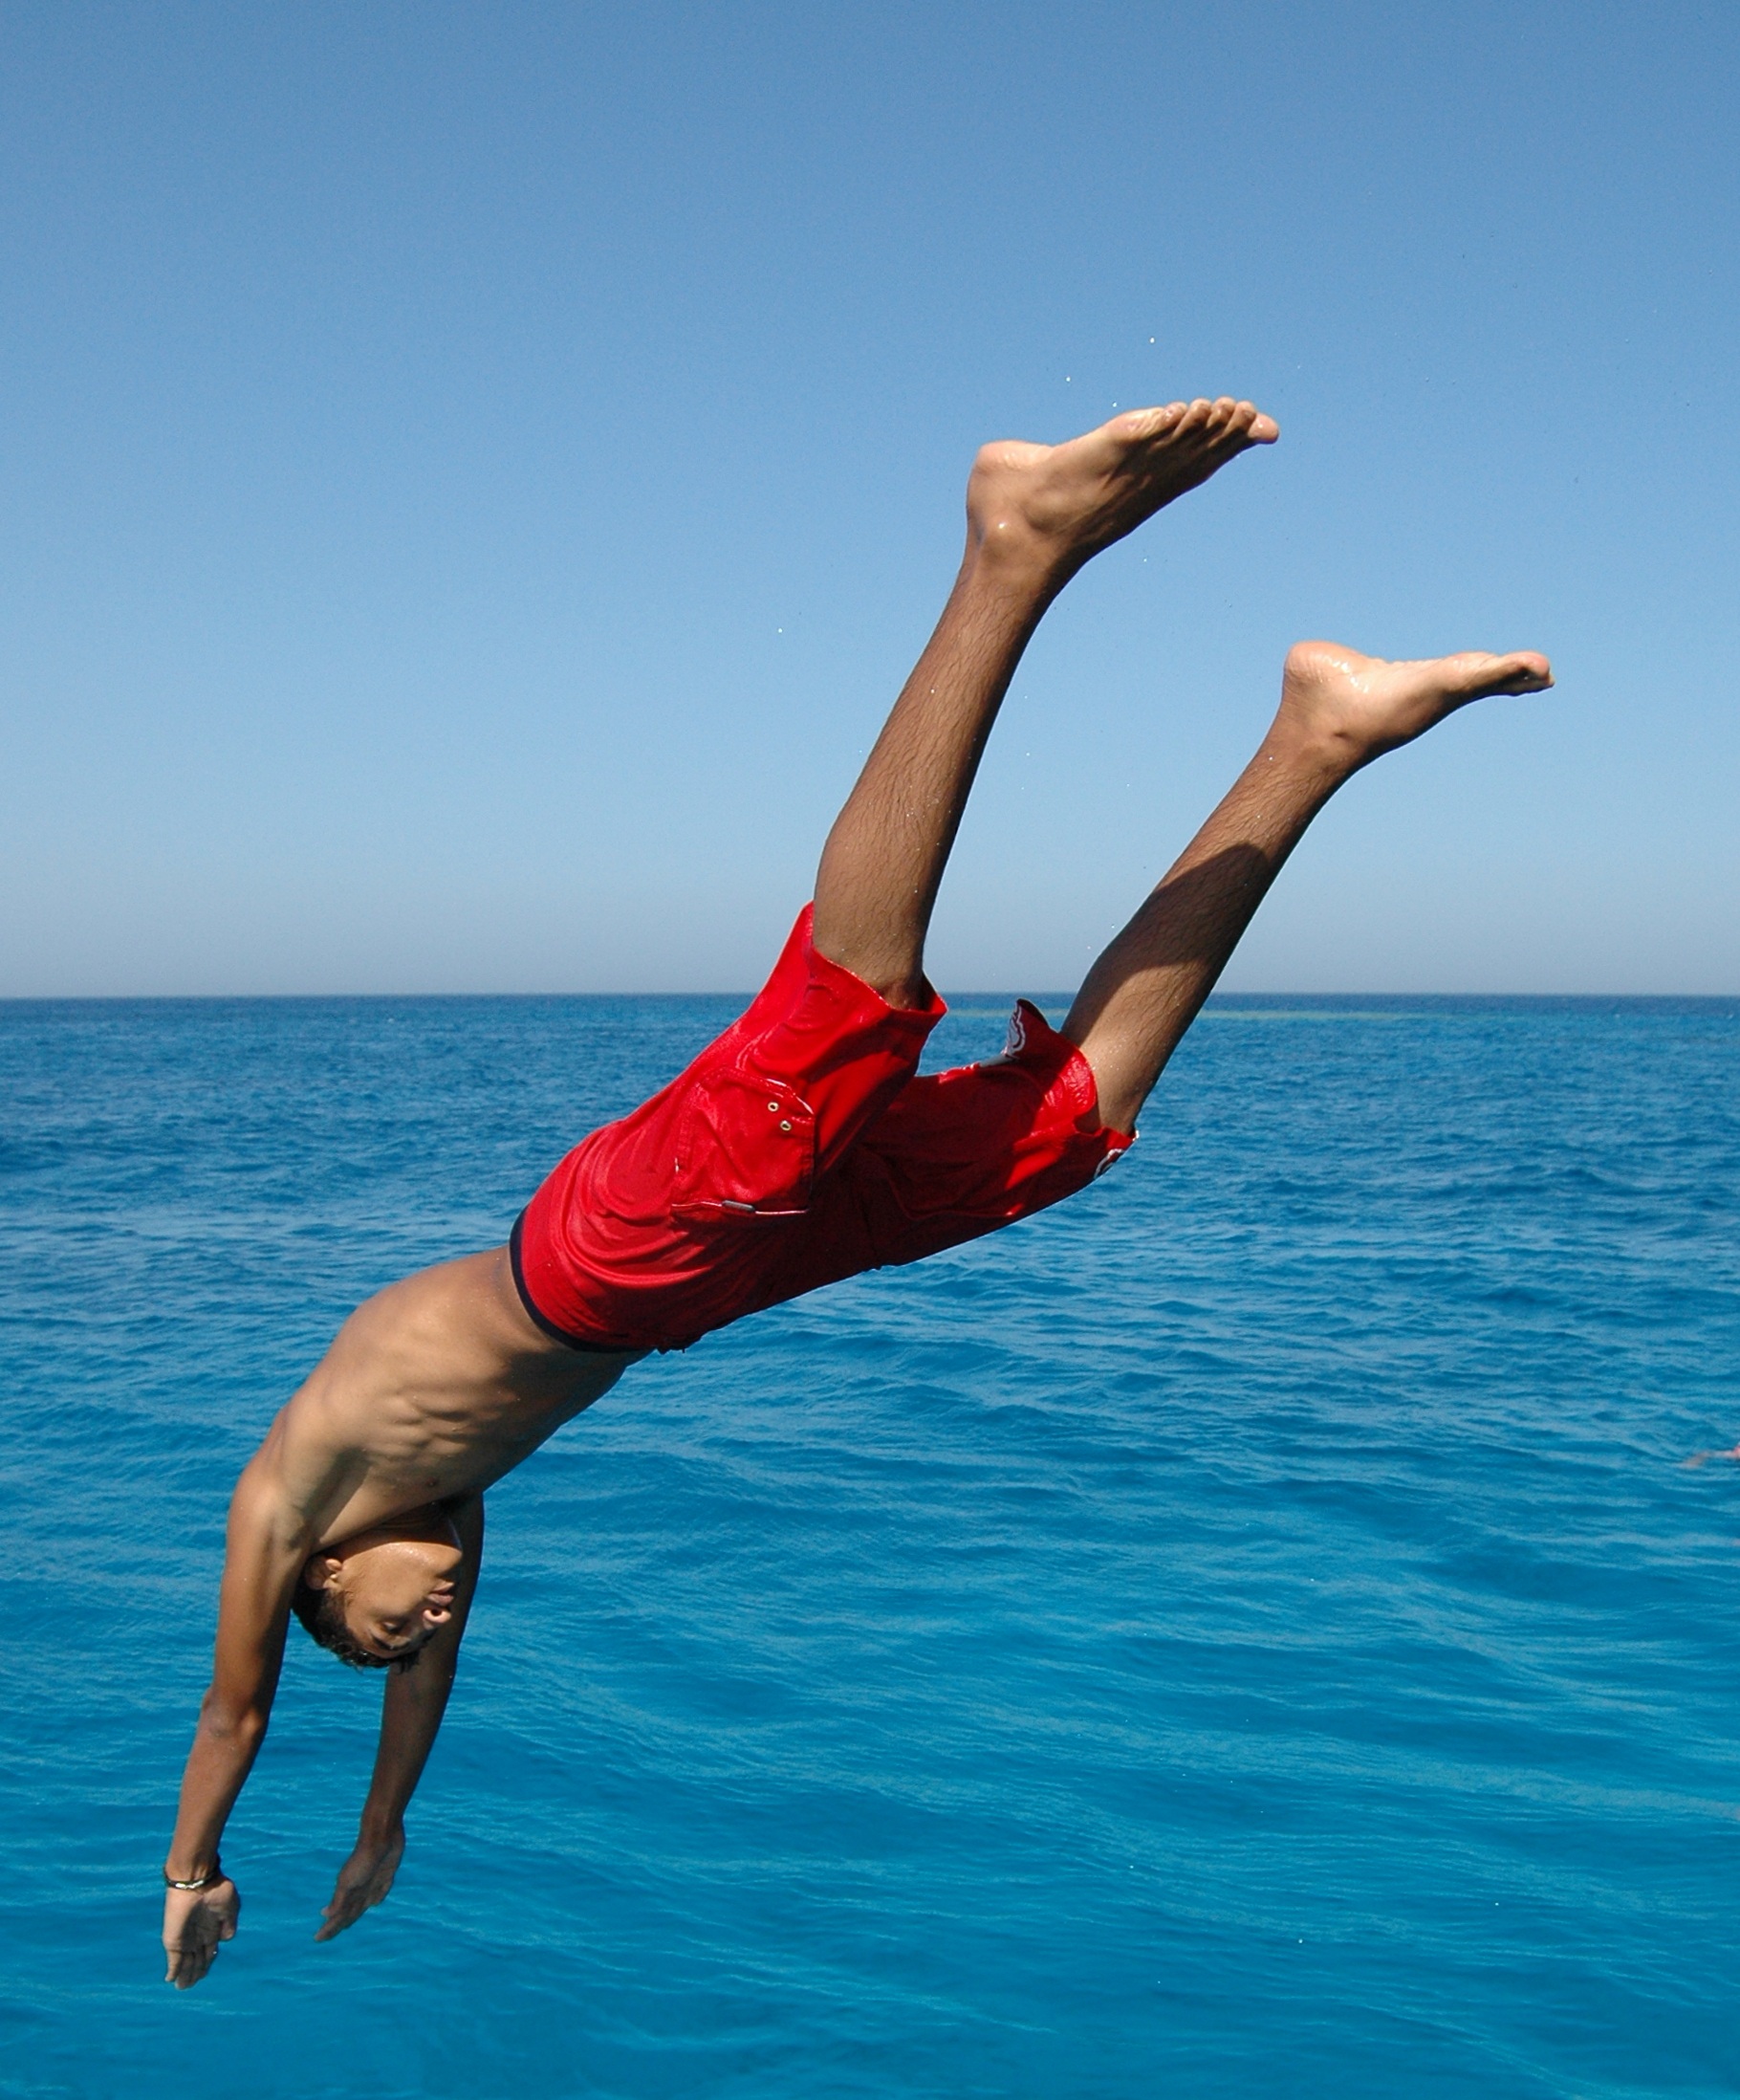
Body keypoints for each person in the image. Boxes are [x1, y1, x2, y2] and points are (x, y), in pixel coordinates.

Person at [162, 398, 1552, 1987]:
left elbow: (239, 1703)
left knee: (848, 1007)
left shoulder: (292, 1501)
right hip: (716, 1287)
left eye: (397, 1623)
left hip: (606, 1255)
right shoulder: (443, 1517)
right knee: (1065, 1132)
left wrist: (196, 1862)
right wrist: (382, 1832)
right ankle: (1320, 737)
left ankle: (1011, 549)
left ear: (330, 1578)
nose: (439, 1618)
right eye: (427, 1630)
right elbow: (420, 1705)